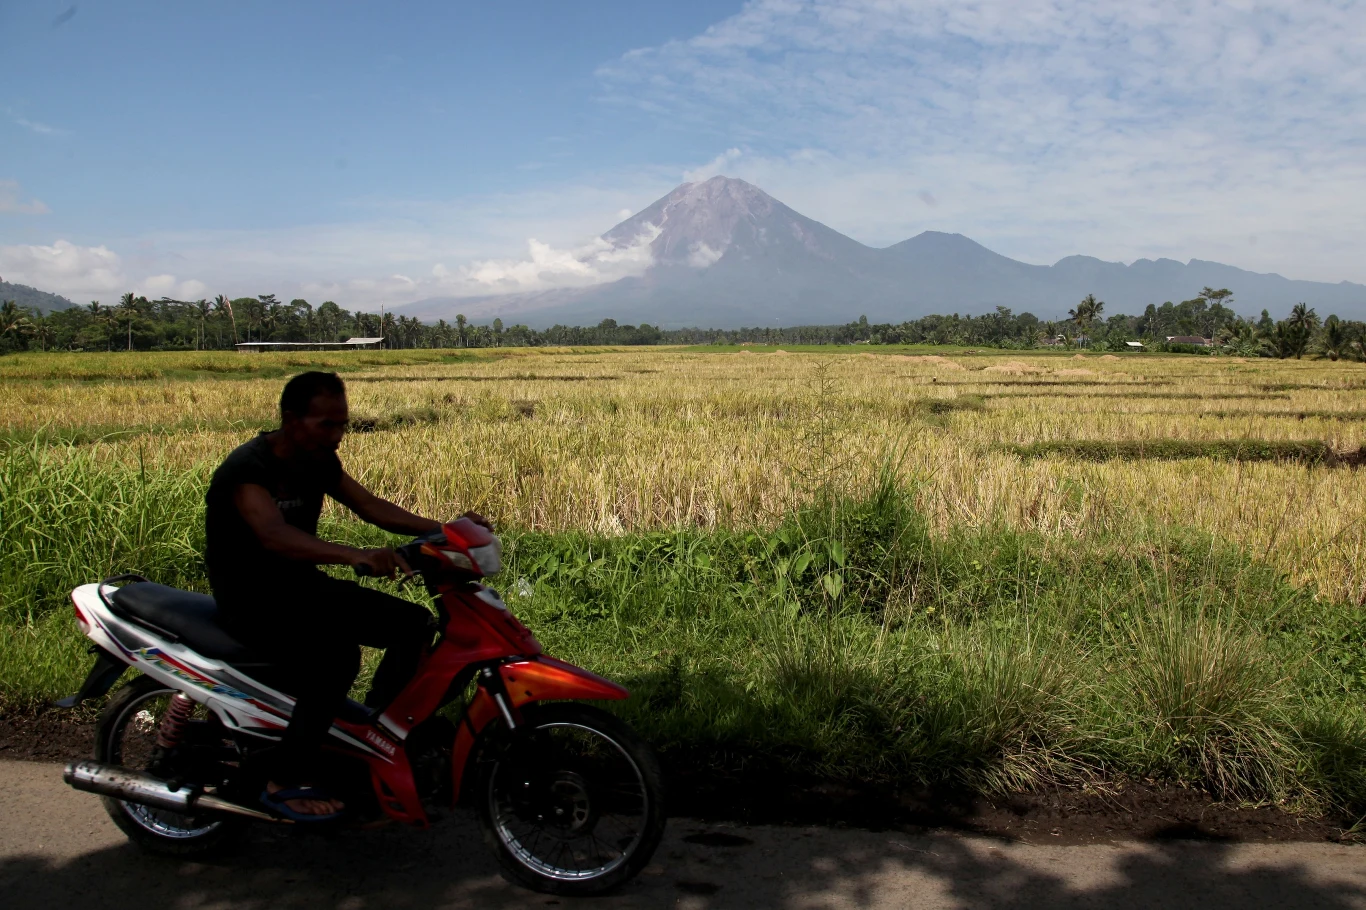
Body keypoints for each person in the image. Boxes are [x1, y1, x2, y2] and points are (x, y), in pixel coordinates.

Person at [205, 371, 467, 821]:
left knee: (413, 625)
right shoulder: (248, 468)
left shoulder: (317, 459)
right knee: (335, 659)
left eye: (342, 424)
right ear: (292, 419)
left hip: (300, 588)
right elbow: (273, 534)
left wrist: (444, 530)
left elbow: (369, 506)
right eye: (326, 424)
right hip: (252, 598)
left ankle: (376, 735)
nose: (337, 435)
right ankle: (283, 780)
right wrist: (354, 555)